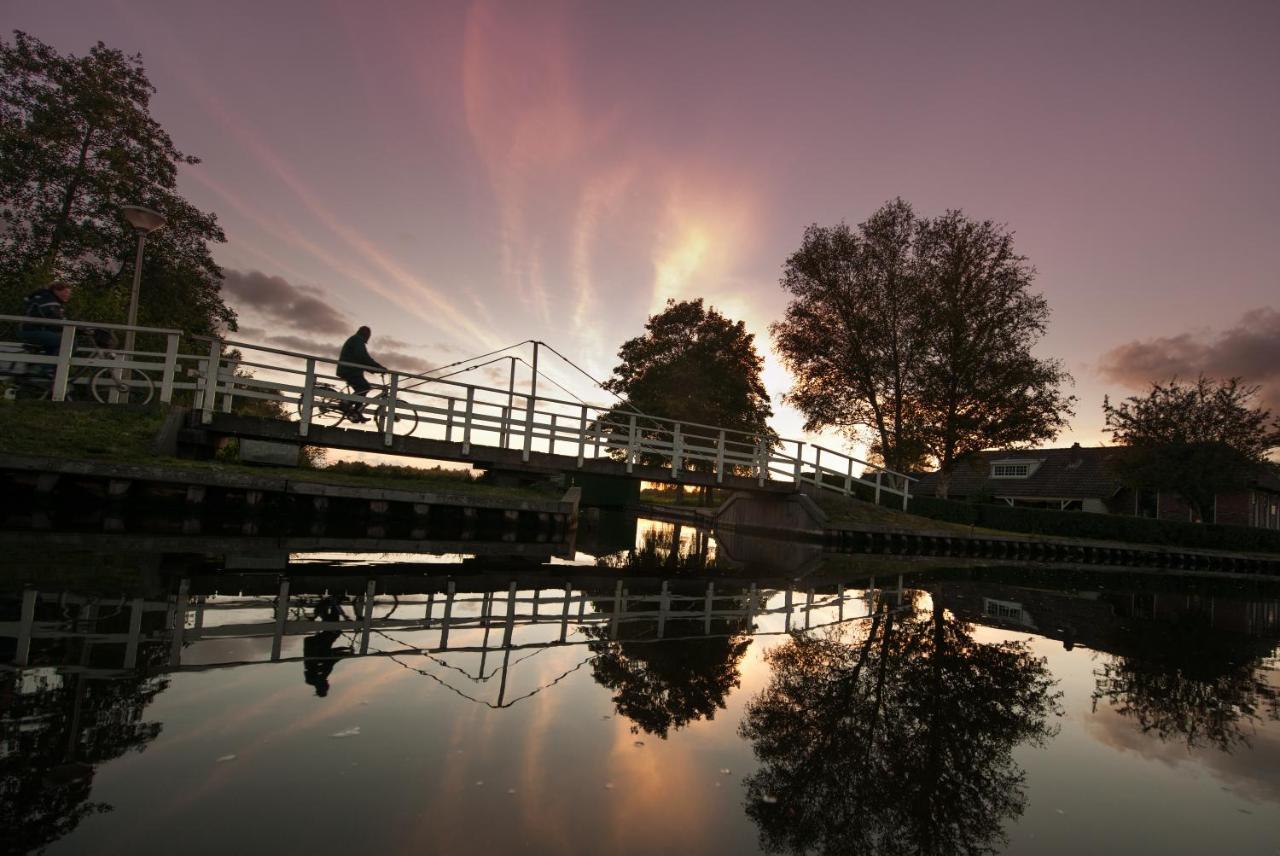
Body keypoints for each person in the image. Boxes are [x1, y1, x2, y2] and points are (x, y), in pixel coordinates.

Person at [336, 325, 386, 423]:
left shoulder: (355, 340)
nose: (368, 337)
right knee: (364, 387)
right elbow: (363, 357)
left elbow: (362, 359)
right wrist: (378, 368)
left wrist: (375, 368)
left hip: (350, 369)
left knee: (361, 389)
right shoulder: (357, 341)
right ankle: (347, 404)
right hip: (349, 370)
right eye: (368, 335)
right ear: (366, 334)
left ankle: (356, 412)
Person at [19, 281, 72, 355]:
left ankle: (46, 365)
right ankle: (49, 366)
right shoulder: (48, 299)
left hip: (37, 330)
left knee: (59, 342)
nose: (67, 295)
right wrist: (80, 330)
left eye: (69, 293)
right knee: (68, 341)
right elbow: (55, 319)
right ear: (56, 290)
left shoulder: (50, 299)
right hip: (33, 331)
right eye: (65, 292)